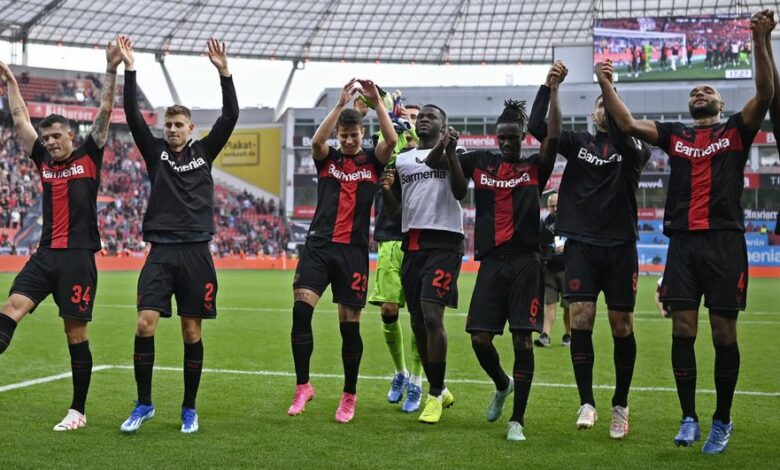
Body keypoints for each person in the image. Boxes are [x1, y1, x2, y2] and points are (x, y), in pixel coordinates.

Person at [595, 10, 775, 453]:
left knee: (724, 335)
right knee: (683, 333)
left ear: (718, 104)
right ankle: (689, 417)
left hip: (724, 243)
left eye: (708, 89)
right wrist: (605, 84)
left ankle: (722, 420)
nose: (700, 91)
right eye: (695, 90)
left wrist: (760, 39)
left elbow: (766, 91)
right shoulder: (674, 135)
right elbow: (628, 124)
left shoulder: (736, 129)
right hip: (683, 246)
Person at [117, 36, 239, 434]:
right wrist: (130, 69)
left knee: (191, 331)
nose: (171, 129)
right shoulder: (156, 153)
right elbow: (132, 115)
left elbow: (230, 117)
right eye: (167, 124)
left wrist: (224, 73)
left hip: (196, 253)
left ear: (191, 129)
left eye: (178, 125)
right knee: (144, 325)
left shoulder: (204, 151)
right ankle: (144, 403)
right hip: (160, 252)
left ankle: (189, 408)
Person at [0, 39, 121, 430]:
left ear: (69, 135)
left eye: (55, 136)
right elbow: (19, 119)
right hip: (45, 255)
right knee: (10, 309)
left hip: (78, 259)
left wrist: (111, 68)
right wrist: (9, 82)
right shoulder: (42, 161)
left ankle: (77, 411)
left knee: (75, 334)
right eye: (46, 137)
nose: (49, 142)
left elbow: (104, 110)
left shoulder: (90, 154)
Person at [529, 59, 652, 439]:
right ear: (591, 113)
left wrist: (607, 87)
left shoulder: (634, 146)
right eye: (599, 104)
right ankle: (587, 402)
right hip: (580, 243)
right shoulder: (578, 143)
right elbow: (538, 128)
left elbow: (625, 134)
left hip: (620, 246)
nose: (604, 108)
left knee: (621, 326)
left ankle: (620, 404)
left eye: (609, 103)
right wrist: (549, 89)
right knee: (580, 317)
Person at [433, 85, 561, 440]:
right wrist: (449, 148)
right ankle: (502, 384)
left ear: (523, 137)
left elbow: (553, 135)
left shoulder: (535, 166)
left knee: (522, 341)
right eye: (503, 138)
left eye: (514, 138)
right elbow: (458, 190)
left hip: (526, 262)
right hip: (491, 263)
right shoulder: (479, 162)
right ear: (496, 137)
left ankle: (516, 420)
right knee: (479, 339)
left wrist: (550, 91)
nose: (508, 143)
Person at [288, 79, 397, 423]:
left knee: (349, 328)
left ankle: (349, 395)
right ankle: (303, 386)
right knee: (301, 313)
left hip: (352, 251)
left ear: (363, 136)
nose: (348, 141)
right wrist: (338, 107)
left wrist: (377, 103)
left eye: (354, 135)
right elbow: (317, 141)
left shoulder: (373, 162)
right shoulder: (328, 159)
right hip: (319, 246)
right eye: (344, 135)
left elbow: (392, 139)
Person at [380, 104, 463, 424]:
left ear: (443, 127)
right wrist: (387, 191)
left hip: (445, 243)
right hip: (412, 245)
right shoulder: (402, 160)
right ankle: (440, 391)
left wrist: (452, 153)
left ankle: (433, 394)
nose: (424, 119)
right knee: (416, 322)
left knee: (431, 316)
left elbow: (460, 191)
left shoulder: (455, 152)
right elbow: (395, 212)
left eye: (431, 117)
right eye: (421, 116)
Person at [368, 103, 425, 412]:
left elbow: (418, 146)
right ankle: (400, 372)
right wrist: (393, 123)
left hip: (419, 237)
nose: (410, 122)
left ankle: (417, 381)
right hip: (390, 236)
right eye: (408, 116)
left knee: (419, 315)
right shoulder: (388, 141)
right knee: (389, 309)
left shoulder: (424, 148)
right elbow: (383, 146)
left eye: (416, 118)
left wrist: (409, 127)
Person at [537, 192, 571, 347]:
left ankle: (568, 335)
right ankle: (545, 335)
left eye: (558, 204)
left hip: (567, 269)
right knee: (549, 304)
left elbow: (578, 240)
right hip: (549, 269)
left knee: (568, 305)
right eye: (552, 205)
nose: (555, 208)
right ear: (548, 206)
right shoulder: (544, 222)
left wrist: (567, 245)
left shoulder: (571, 221)